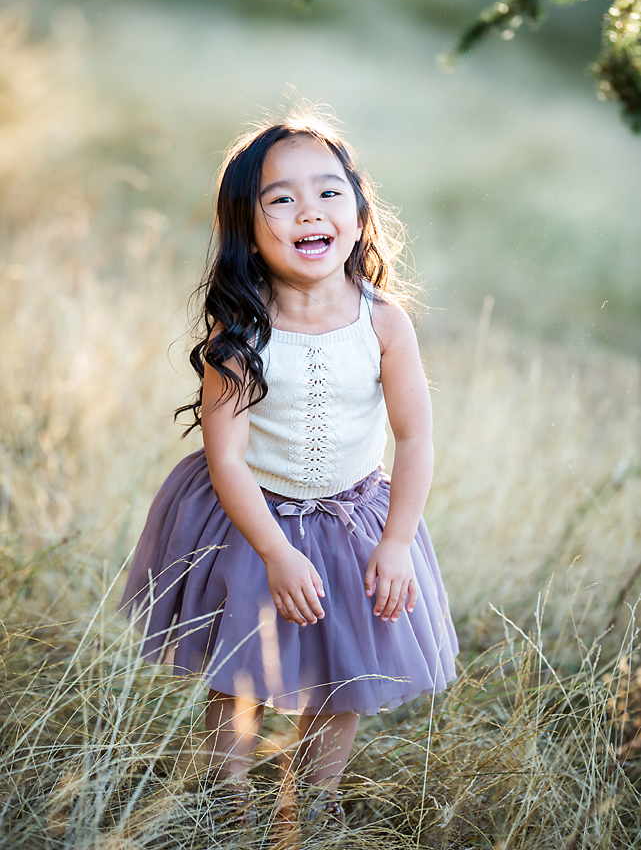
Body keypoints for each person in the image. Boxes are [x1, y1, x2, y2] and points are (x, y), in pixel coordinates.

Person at [119, 111, 458, 827]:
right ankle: (224, 793)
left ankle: (316, 797)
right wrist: (273, 551)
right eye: (281, 198)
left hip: (352, 520)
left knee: (344, 672)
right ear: (247, 228)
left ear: (360, 213)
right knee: (240, 667)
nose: (309, 210)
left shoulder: (382, 321)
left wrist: (394, 540)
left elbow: (415, 435)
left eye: (329, 192)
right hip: (252, 518)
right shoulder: (240, 331)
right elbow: (226, 456)